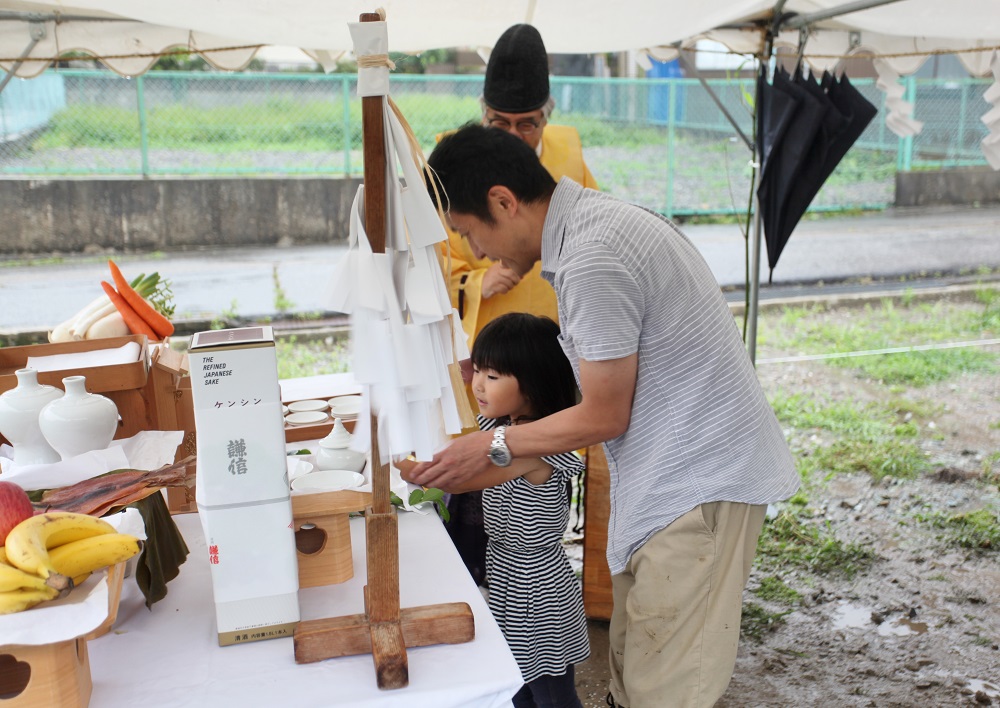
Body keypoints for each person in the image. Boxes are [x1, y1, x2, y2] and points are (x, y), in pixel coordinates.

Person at [407, 124, 801, 708]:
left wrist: (496, 445)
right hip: (674, 482)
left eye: (469, 233)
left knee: (664, 688)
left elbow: (604, 414)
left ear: (502, 201)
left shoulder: (592, 256)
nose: (480, 253)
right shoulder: (595, 228)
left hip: (701, 483)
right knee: (638, 668)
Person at [440, 22, 598, 589]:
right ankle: (479, 575)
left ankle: (536, 584)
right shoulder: (454, 165)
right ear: (483, 116)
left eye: (525, 124)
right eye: (499, 124)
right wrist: (477, 280)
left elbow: (590, 232)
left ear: (545, 118)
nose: (513, 136)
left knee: (542, 468)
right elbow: (434, 268)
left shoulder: (568, 153)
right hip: (490, 348)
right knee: (482, 460)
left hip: (551, 343)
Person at [444, 312, 589, 708]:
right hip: (506, 571)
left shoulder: (536, 446)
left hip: (536, 585)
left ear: (535, 385)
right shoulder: (498, 424)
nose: (478, 383)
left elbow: (463, 474)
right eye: (479, 370)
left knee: (551, 692)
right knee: (515, 683)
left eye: (493, 376)